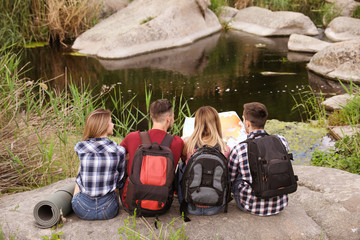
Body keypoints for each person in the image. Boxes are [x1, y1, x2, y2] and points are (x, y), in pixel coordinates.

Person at [120, 99, 184, 211]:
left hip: (133, 201)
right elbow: (186, 161)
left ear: (152, 116)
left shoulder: (132, 137)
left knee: (126, 159)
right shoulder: (177, 142)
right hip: (163, 204)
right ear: (168, 118)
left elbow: (116, 157)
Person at [228, 102, 289, 216]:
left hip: (250, 206)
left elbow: (230, 180)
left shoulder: (239, 149)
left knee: (236, 177)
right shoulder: (281, 141)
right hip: (280, 204)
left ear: (247, 123)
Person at [72, 108, 126, 220]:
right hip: (109, 210)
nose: (113, 124)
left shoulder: (80, 147)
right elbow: (120, 181)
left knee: (80, 173)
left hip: (82, 210)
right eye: (111, 121)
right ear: (104, 125)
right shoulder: (119, 150)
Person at [180, 106, 230, 216]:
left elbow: (184, 161)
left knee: (181, 166)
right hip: (215, 207)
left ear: (196, 123)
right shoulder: (225, 148)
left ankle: (180, 198)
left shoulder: (188, 144)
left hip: (191, 205)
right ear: (216, 123)